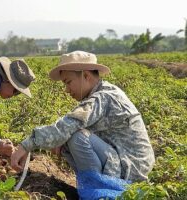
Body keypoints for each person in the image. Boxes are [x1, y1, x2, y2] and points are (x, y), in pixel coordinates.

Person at [11, 51, 155, 182]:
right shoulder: (106, 91)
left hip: (130, 169)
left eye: (68, 82)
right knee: (68, 138)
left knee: (77, 137)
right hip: (127, 163)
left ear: (86, 76)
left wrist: (27, 145)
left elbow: (68, 125)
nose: (67, 90)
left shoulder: (102, 97)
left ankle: (98, 190)